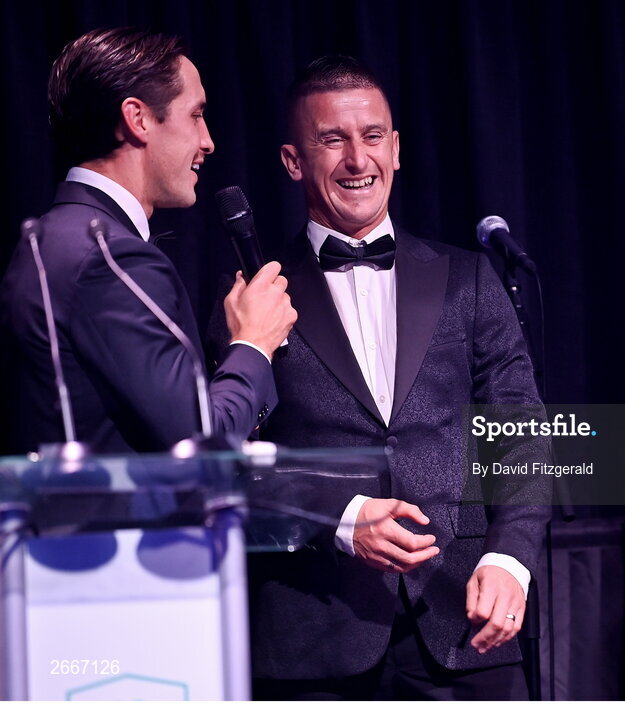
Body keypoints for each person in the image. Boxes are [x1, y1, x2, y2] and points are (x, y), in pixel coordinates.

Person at [245, 55, 548, 700]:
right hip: (313, 636)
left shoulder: (467, 277)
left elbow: (521, 431)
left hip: (467, 628)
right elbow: (235, 462)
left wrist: (510, 557)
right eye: (333, 140)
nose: (359, 160)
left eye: (374, 136)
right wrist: (338, 516)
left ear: (398, 147)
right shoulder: (252, 296)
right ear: (293, 160)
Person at [0, 28, 295, 455]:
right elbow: (198, 445)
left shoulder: (57, 235)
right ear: (137, 119)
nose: (208, 141)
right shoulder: (108, 256)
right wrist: (253, 342)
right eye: (195, 114)